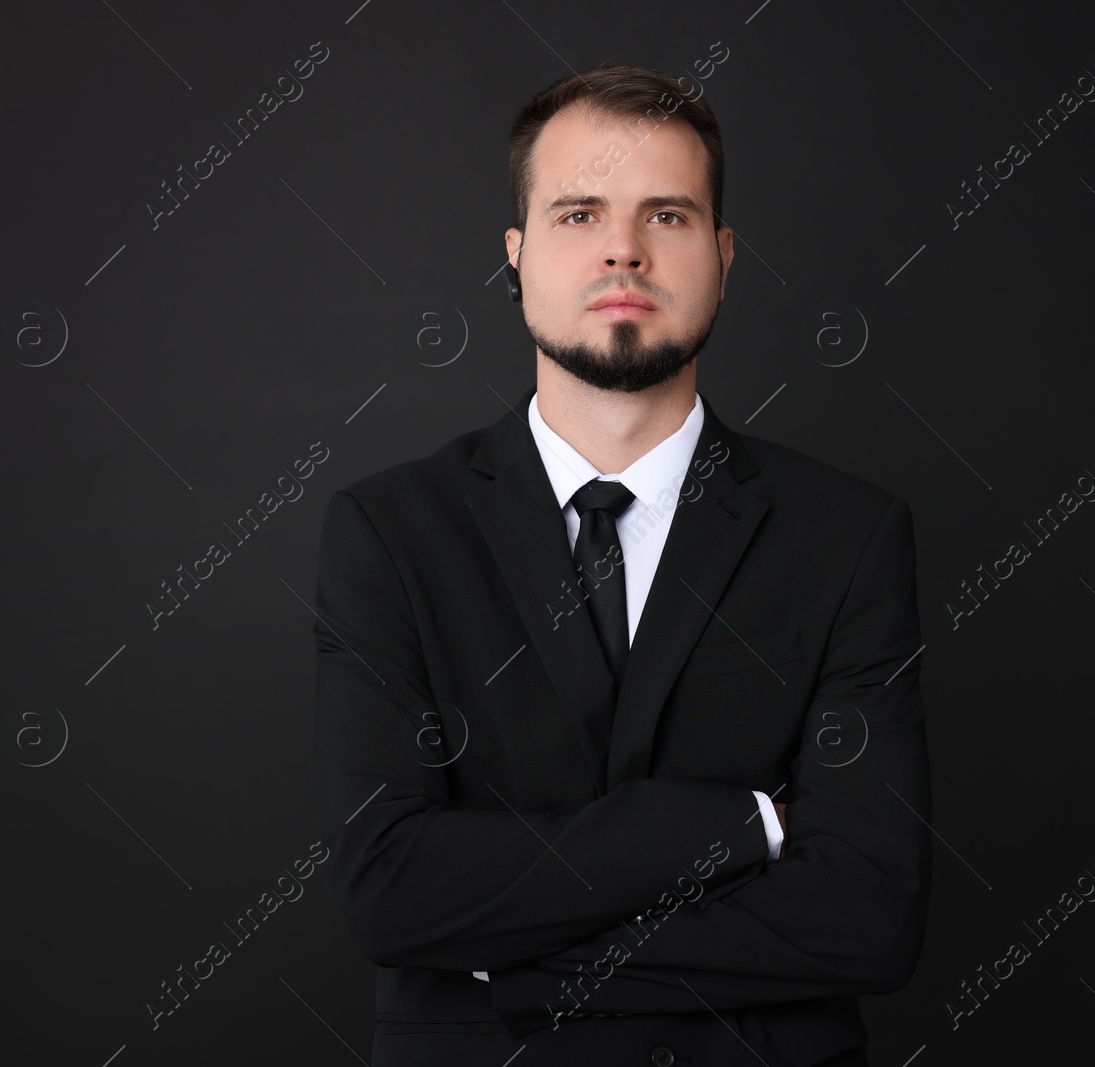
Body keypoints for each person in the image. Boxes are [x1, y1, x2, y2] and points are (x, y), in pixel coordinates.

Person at [313, 62, 931, 1067]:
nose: (623, 250)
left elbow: (866, 910)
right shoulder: (389, 530)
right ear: (514, 257)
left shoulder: (849, 533)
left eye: (669, 216)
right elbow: (391, 890)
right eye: (576, 214)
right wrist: (738, 824)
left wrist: (512, 963)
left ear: (724, 258)